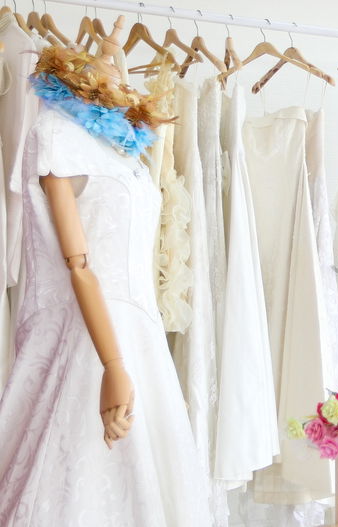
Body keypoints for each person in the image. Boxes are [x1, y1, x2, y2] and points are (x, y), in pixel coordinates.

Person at [0, 23, 209, 526]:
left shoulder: (123, 144)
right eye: (108, 66)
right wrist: (113, 366)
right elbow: (79, 265)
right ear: (81, 75)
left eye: (121, 67)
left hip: (141, 331)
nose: (122, 76)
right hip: (90, 335)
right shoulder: (56, 133)